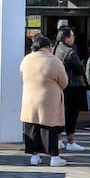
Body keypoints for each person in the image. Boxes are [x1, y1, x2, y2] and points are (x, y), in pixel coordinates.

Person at [20, 34, 69, 167]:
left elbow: (22, 74)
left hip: (29, 100)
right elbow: (64, 81)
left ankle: (34, 157)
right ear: (48, 47)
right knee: (50, 128)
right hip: (49, 100)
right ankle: (54, 157)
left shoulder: (26, 59)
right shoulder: (54, 60)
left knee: (32, 127)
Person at [55, 26, 88, 153]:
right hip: (73, 86)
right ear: (67, 38)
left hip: (60, 86)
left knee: (60, 113)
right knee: (71, 114)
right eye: (72, 36)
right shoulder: (70, 52)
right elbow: (80, 69)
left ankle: (58, 139)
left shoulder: (56, 49)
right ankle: (71, 140)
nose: (73, 38)